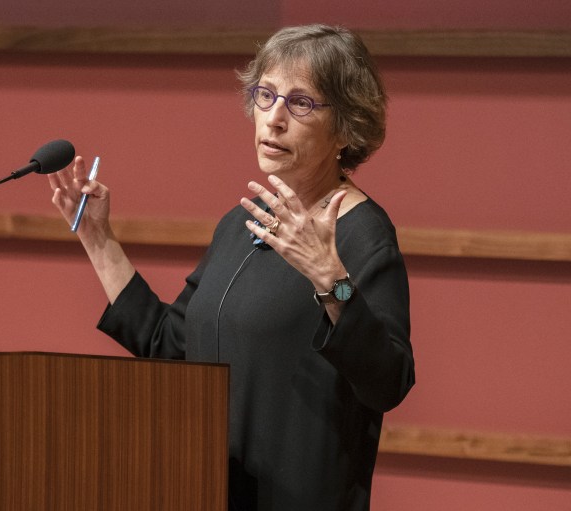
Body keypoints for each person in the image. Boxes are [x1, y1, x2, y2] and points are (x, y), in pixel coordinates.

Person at [48, 24, 414, 511]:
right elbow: (172, 346)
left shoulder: (363, 235)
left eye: (301, 103)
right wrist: (98, 240)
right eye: (266, 95)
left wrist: (332, 282)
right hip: (205, 492)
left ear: (346, 129)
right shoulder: (242, 224)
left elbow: (388, 379)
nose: (275, 118)